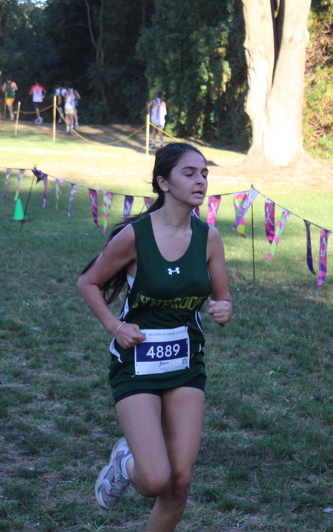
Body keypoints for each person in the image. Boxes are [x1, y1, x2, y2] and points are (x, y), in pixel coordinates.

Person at [77, 142, 233, 530]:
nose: (200, 181)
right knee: (153, 480)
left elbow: (222, 296)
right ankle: (123, 462)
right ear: (163, 183)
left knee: (179, 483)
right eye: (189, 173)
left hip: (186, 363)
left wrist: (223, 308)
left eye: (204, 174)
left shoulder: (209, 237)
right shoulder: (135, 236)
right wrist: (116, 326)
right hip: (137, 363)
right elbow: (88, 282)